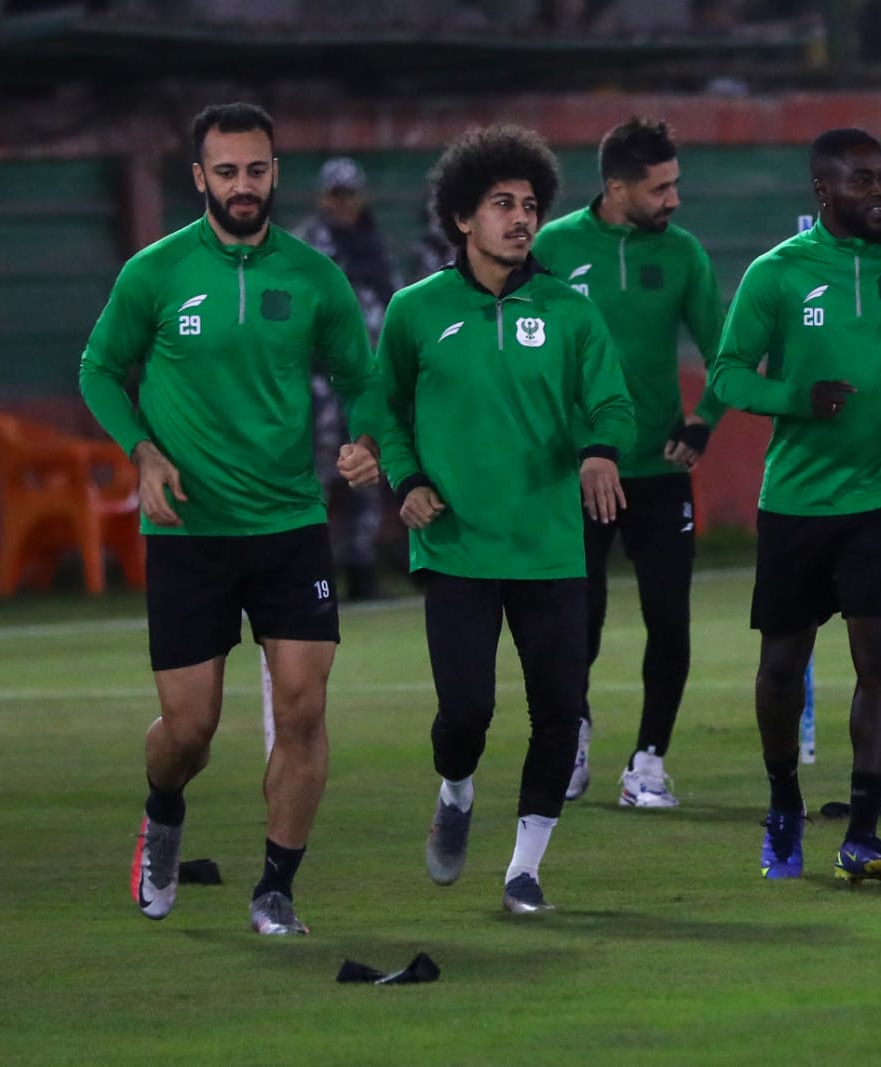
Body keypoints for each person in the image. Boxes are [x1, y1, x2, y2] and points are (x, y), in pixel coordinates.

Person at [80, 102, 384, 935]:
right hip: (188, 530)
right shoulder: (155, 272)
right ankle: (163, 810)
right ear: (199, 178)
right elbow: (99, 369)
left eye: (256, 169)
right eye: (226, 172)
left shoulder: (315, 276)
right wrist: (142, 451)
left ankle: (276, 888)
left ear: (275, 172)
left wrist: (367, 440)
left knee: (303, 708)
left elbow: (362, 378)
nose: (243, 185)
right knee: (191, 728)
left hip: (289, 524)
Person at [379, 124, 633, 914]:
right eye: (501, 204)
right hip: (456, 545)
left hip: (550, 548)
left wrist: (600, 452)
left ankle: (525, 868)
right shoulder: (415, 311)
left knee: (559, 710)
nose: (521, 218)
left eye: (529, 205)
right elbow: (384, 410)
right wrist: (406, 479)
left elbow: (613, 402)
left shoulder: (570, 311)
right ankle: (455, 790)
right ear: (462, 216)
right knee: (466, 714)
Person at [711, 127, 881, 883]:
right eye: (861, 180)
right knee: (782, 666)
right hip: (798, 500)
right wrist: (797, 398)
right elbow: (726, 374)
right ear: (822, 191)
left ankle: (864, 831)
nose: (880, 192)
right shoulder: (777, 273)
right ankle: (784, 801)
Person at [533, 117, 726, 809]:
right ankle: (573, 734)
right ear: (616, 188)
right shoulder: (552, 248)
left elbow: (724, 352)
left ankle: (648, 761)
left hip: (658, 471)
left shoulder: (683, 253)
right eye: (659, 188)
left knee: (669, 621)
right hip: (576, 473)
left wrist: (704, 421)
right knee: (574, 624)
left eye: (675, 184)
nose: (674, 199)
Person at [294, 157, 403, 600]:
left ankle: (361, 568)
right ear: (322, 197)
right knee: (316, 475)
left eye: (349, 195)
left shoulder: (374, 243)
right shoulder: (305, 245)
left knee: (367, 469)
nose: (342, 204)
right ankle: (307, 572)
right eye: (335, 196)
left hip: (366, 382)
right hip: (319, 382)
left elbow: (392, 299)